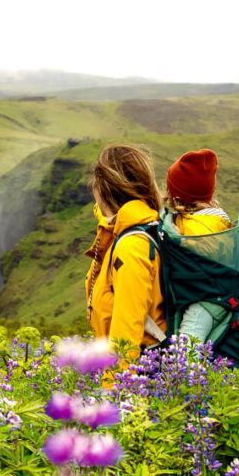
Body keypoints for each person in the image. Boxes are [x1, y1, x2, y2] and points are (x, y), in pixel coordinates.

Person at [85, 144, 166, 362]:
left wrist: (112, 393)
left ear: (104, 187)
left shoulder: (131, 246)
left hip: (141, 377)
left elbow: (125, 338)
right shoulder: (129, 228)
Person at [164, 148, 232, 341]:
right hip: (211, 295)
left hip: (207, 301)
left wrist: (176, 236)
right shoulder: (212, 217)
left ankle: (184, 372)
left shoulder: (199, 226)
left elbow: (196, 256)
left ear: (178, 196)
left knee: (186, 351)